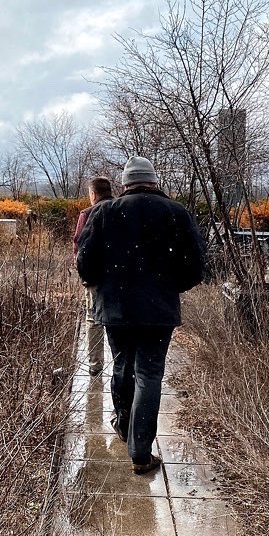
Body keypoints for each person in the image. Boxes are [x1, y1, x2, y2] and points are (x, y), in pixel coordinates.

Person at [76, 156, 207, 474]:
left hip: (117, 308)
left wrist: (100, 285)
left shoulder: (105, 212)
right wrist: (171, 287)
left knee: (122, 365)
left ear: (125, 183)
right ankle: (140, 452)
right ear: (153, 181)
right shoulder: (176, 213)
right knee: (148, 375)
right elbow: (196, 264)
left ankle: (123, 425)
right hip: (157, 309)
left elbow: (85, 259)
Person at [73, 176, 113, 376]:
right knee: (116, 317)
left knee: (93, 319)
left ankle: (95, 364)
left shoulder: (87, 213)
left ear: (93, 194)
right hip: (117, 276)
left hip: (94, 277)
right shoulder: (119, 208)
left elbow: (78, 245)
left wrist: (83, 273)